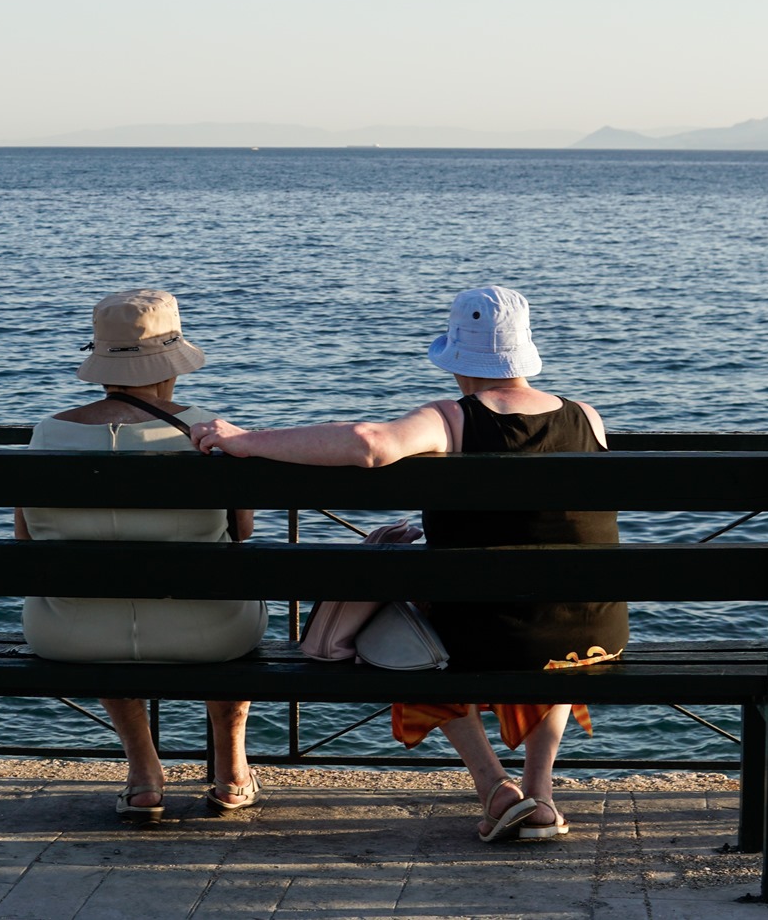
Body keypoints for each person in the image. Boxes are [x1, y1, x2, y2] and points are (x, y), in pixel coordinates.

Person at [190, 285, 624, 843]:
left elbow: (371, 444)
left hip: (491, 638)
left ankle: (494, 789)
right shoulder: (587, 416)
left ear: (458, 359)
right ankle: (539, 794)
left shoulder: (453, 419)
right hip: (597, 633)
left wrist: (245, 440)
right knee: (546, 612)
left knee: (404, 638)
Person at [15, 289, 268, 821]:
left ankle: (144, 776)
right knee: (231, 591)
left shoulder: (48, 434)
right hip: (211, 635)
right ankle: (231, 772)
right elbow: (242, 531)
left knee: (103, 596)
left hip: (70, 634)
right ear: (172, 362)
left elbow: (25, 538)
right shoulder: (208, 432)